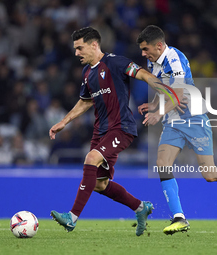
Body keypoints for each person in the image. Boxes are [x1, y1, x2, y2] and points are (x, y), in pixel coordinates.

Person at [136, 25, 217, 235]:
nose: (143, 54)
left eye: (145, 49)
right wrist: (154, 104)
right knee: (162, 163)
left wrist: (158, 113)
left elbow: (177, 93)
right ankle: (179, 217)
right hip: (173, 121)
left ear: (159, 46)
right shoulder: (153, 61)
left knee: (210, 175)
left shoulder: (174, 58)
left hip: (194, 119)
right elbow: (163, 87)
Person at [49, 27, 169, 236]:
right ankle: (141, 207)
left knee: (91, 157)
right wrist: (64, 121)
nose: (76, 53)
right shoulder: (87, 73)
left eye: (80, 48)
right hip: (101, 131)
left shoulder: (115, 62)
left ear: (94, 45)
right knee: (99, 184)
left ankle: (72, 217)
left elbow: (143, 75)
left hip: (121, 127)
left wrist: (165, 91)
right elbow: (85, 101)